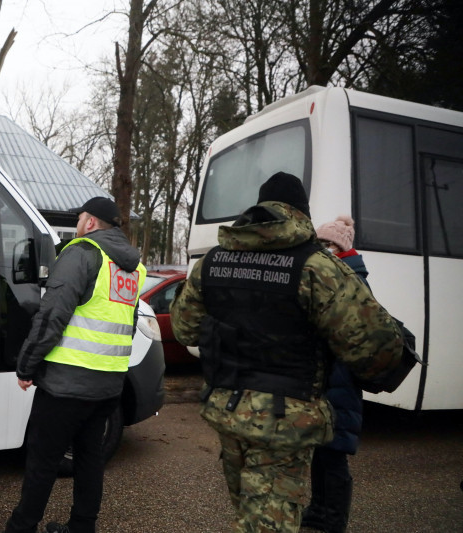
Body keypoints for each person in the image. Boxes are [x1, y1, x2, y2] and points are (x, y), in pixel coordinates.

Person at [169, 172, 403, 533]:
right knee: (266, 523)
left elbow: (184, 330)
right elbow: (376, 347)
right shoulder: (317, 267)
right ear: (302, 213)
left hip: (226, 409)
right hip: (284, 420)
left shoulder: (212, 263)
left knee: (249, 512)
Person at [4, 197, 146, 533]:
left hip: (66, 384)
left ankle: (22, 527)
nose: (78, 223)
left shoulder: (82, 253)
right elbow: (122, 322)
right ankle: (82, 526)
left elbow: (52, 315)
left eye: (80, 217)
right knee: (89, 457)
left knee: (43, 460)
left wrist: (27, 365)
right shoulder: (133, 267)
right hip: (109, 384)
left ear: (91, 222)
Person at [301, 215, 368, 533]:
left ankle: (334, 518)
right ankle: (318, 510)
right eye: (320, 243)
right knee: (321, 449)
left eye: (327, 244)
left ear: (340, 248)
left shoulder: (353, 281)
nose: (322, 250)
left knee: (335, 452)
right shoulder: (335, 276)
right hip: (327, 377)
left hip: (341, 378)